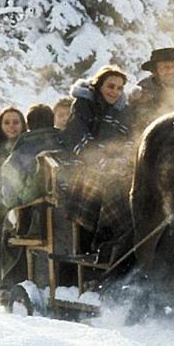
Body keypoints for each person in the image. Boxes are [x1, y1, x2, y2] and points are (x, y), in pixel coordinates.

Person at [0, 104, 65, 285]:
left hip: (35, 217)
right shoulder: (65, 143)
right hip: (67, 211)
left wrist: (15, 203)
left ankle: (8, 278)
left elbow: (9, 196)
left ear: (28, 124)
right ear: (52, 121)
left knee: (5, 226)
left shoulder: (22, 151)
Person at [61, 65, 134, 262]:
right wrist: (102, 159)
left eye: (119, 88)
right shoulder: (83, 105)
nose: (115, 92)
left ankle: (129, 242)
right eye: (111, 86)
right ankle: (103, 242)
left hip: (116, 164)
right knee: (109, 185)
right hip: (84, 165)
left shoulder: (124, 112)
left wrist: (123, 158)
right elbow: (79, 139)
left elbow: (129, 140)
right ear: (99, 85)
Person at [129, 47, 174, 133]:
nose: (170, 71)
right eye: (165, 67)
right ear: (154, 70)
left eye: (173, 66)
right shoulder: (142, 92)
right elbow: (139, 123)